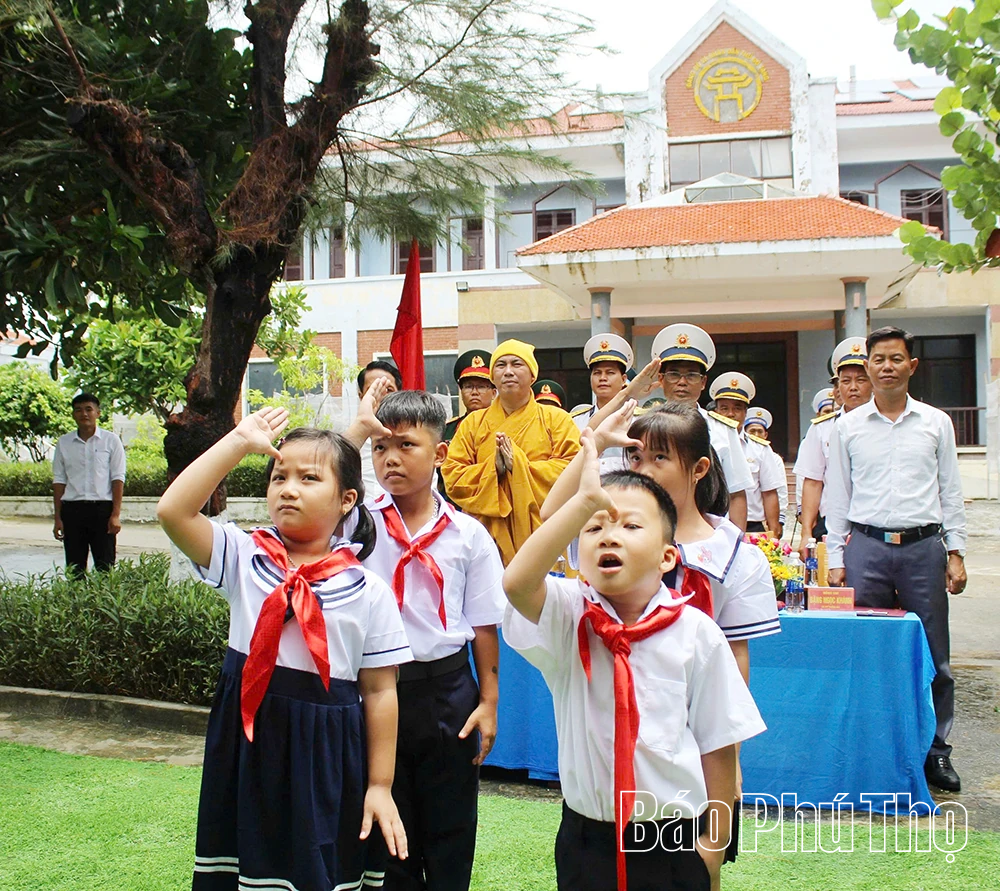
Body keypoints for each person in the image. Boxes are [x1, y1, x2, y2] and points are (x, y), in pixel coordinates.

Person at [157, 408, 412, 891]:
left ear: (346, 500)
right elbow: (173, 512)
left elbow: (380, 693)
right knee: (244, 866)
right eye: (279, 476)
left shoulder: (368, 590)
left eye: (309, 478)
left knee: (317, 869)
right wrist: (237, 442)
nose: (288, 488)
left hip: (327, 748)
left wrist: (380, 785)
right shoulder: (244, 556)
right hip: (249, 740)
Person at [504, 432, 766, 891]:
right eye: (594, 527)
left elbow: (718, 743)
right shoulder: (570, 617)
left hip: (673, 840)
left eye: (629, 526)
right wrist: (582, 503)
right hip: (587, 839)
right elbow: (517, 584)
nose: (610, 536)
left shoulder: (694, 632)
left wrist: (714, 843)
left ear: (668, 557)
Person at [353, 389, 506, 891]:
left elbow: (484, 623)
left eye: (405, 446)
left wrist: (488, 701)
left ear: (440, 454)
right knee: (385, 828)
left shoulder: (467, 535)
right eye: (379, 448)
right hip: (375, 690)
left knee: (451, 824)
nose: (389, 459)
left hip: (447, 691)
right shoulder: (355, 524)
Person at [826, 326, 967, 793]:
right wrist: (835, 554)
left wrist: (957, 551)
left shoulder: (935, 423)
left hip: (924, 549)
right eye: (878, 359)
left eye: (896, 358)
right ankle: (873, 751)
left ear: (912, 365)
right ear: (866, 367)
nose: (887, 366)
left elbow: (950, 490)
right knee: (866, 652)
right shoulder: (846, 427)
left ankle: (935, 753)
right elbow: (838, 495)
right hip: (865, 548)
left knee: (933, 654)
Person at [440, 339, 581, 566]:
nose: (508, 372)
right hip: (485, 536)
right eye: (500, 365)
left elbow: (574, 470)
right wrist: (492, 469)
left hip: (543, 534)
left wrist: (520, 466)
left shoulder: (557, 420)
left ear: (533, 375)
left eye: (517, 364)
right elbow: (453, 476)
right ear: (493, 378)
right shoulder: (473, 423)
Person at [647, 324, 753, 531]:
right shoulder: (644, 425)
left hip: (708, 531)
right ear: (661, 379)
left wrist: (736, 544)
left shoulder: (723, 429)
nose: (682, 382)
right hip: (654, 526)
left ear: (703, 382)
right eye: (674, 374)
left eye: (692, 376)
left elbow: (737, 492)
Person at [794, 338, 873, 559]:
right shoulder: (822, 429)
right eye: (845, 381)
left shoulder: (885, 425)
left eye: (861, 380)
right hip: (831, 524)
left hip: (873, 524)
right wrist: (806, 532)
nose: (853, 387)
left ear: (873, 382)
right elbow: (813, 481)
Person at [51, 393, 126, 575]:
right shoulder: (64, 443)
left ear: (98, 413)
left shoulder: (111, 441)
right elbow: (59, 481)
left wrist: (115, 514)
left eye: (88, 409)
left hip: (102, 511)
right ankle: (76, 604)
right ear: (73, 415)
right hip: (72, 511)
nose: (84, 414)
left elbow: (117, 478)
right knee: (75, 568)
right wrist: (58, 518)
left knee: (105, 567)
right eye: (78, 410)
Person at [709, 372, 783, 536]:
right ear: (715, 411)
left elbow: (769, 491)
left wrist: (773, 529)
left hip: (752, 527)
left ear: (745, 413)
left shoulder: (760, 448)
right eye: (724, 408)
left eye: (737, 408)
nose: (730, 414)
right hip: (711, 523)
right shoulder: (706, 442)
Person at [570, 334, 634, 473]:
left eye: (610, 373)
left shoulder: (638, 419)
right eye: (597, 373)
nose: (603, 378)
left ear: (624, 379)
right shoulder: (575, 420)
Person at [357, 360, 403, 499]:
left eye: (389, 390)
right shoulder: (352, 442)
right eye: (374, 390)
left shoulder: (415, 438)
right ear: (361, 397)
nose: (382, 396)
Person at [743, 407, 788, 536]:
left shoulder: (772, 456)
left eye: (759, 431)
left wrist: (778, 520)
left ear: (766, 435)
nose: (756, 435)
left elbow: (777, 491)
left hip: (754, 522)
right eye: (752, 431)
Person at [444, 350, 495, 443]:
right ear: (461, 392)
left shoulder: (503, 425)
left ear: (494, 393)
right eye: (468, 387)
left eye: (481, 387)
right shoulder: (447, 430)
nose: (474, 392)